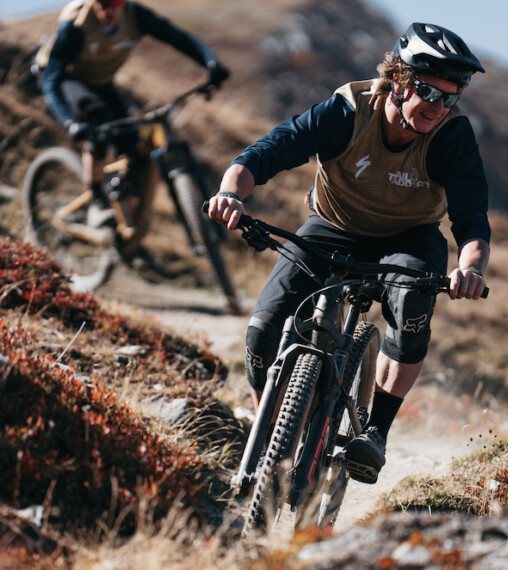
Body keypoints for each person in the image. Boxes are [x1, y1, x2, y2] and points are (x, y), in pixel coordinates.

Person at [207, 22, 490, 484]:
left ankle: (375, 433)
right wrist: (230, 195)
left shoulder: (452, 137)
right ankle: (267, 429)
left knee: (413, 307)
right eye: (426, 91)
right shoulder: (349, 111)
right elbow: (266, 153)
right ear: (397, 79)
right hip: (331, 228)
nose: (437, 107)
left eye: (448, 97)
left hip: (409, 238)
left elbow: (472, 220)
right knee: (263, 331)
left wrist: (470, 269)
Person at [35, 0, 229, 223]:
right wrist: (69, 121)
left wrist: (210, 61)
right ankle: (97, 203)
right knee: (98, 120)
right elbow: (51, 81)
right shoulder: (76, 25)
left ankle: (128, 228)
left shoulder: (135, 16)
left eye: (115, 3)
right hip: (67, 78)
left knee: (132, 144)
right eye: (103, 3)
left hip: (101, 82)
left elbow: (179, 39)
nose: (109, 10)